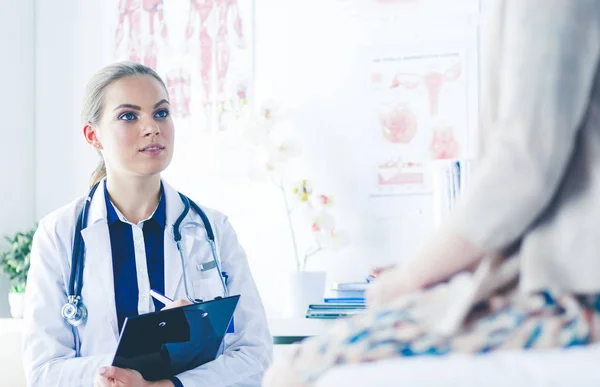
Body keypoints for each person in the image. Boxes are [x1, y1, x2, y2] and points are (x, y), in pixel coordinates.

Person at [263, 1, 600, 385]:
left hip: (574, 296)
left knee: (297, 370)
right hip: (558, 283)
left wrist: (406, 280)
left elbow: (523, 164)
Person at [22, 61, 272, 387]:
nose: (151, 127)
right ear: (92, 135)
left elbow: (254, 355)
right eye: (129, 116)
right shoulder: (59, 234)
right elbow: (43, 370)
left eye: (161, 113)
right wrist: (119, 376)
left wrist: (170, 385)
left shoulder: (213, 229)